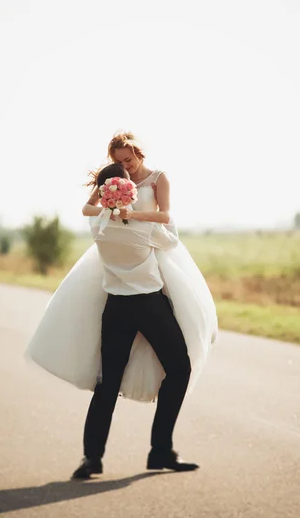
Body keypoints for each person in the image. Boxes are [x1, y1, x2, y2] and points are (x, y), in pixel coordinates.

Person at [25, 132, 217, 403]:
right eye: (120, 162)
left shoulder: (158, 178)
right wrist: (112, 211)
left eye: (129, 160)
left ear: (139, 153)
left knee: (174, 314)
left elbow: (165, 215)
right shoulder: (114, 179)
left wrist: (133, 215)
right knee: (107, 315)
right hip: (120, 246)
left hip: (152, 246)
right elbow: (86, 209)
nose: (126, 166)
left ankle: (161, 377)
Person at [72, 163, 198, 478]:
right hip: (150, 305)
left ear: (103, 193)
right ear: (129, 189)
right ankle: (160, 451)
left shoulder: (97, 226)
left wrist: (103, 197)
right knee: (180, 369)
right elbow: (172, 240)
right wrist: (144, 212)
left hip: (115, 308)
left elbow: (93, 209)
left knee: (107, 382)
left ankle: (91, 458)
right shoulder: (146, 228)